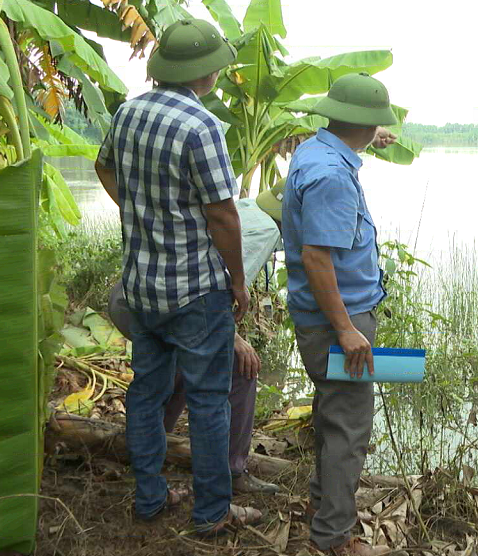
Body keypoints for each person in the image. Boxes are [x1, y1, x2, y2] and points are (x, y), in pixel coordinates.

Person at [94, 18, 260, 535]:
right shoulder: (201, 125)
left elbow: (103, 168)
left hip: (142, 286)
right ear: (206, 73)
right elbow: (224, 215)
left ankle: (149, 498)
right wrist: (237, 280)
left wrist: (141, 212)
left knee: (147, 391)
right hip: (194, 291)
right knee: (209, 402)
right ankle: (212, 512)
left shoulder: (128, 112)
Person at [282, 72, 398, 556]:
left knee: (334, 416)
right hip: (337, 321)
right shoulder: (332, 175)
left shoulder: (316, 150)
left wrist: (369, 138)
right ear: (367, 123)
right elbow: (317, 259)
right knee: (350, 428)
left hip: (323, 319)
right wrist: (348, 330)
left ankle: (323, 510)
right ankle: (331, 540)